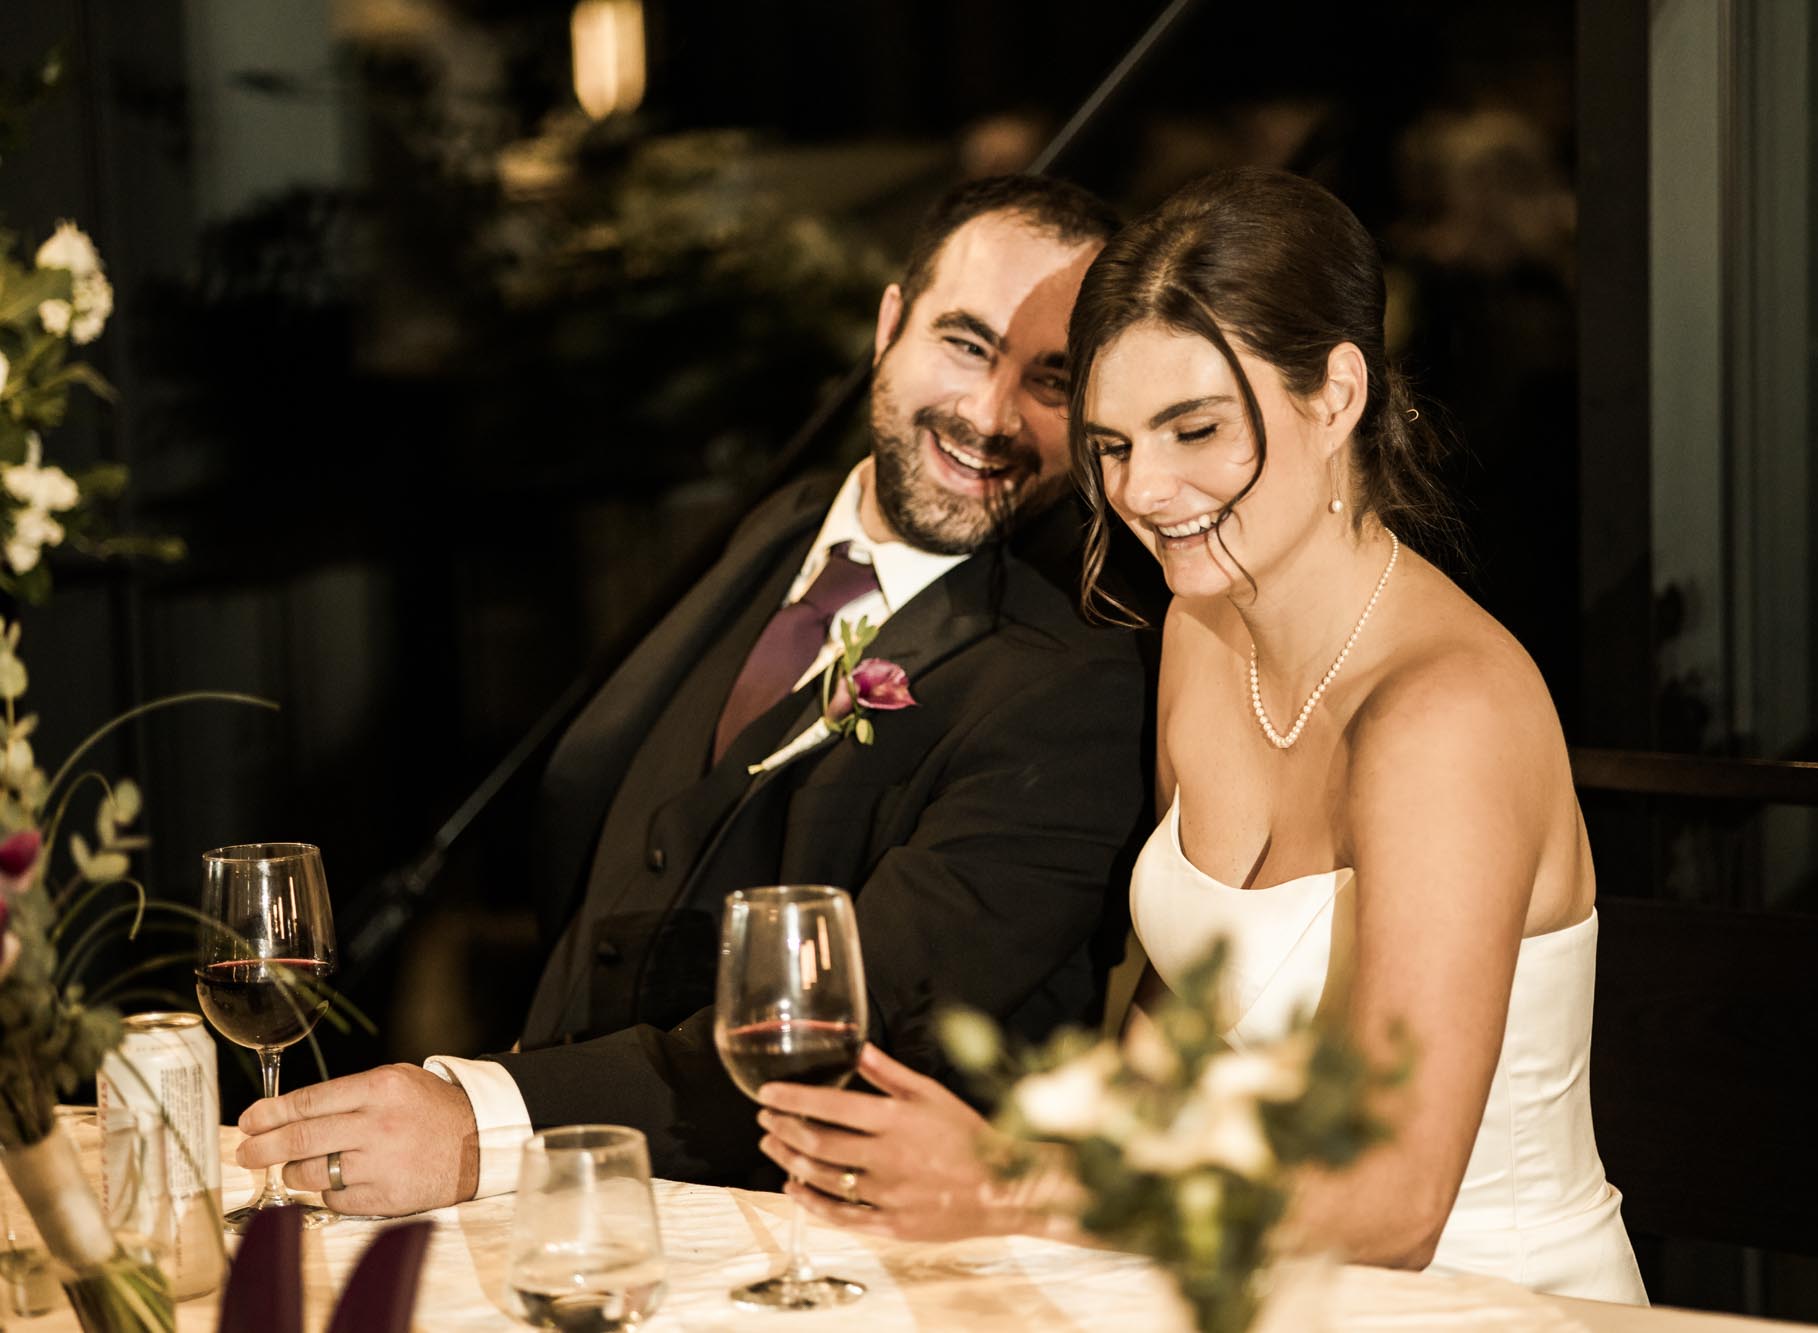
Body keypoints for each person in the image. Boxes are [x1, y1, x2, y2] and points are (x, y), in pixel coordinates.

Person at [753, 167, 1648, 1305]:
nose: (1146, 490)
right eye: (1113, 443)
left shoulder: (1443, 713)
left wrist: (1011, 1186)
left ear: (1334, 394)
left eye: (1194, 430)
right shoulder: (1200, 628)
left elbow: (1396, 1204)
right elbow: (1182, 1017)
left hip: (1471, 1297)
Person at [234, 175, 1156, 1217]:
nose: (988, 416)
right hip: (566, 1202)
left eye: (1049, 380)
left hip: (796, 1241)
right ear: (887, 325)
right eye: (964, 343)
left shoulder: (1076, 683)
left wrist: (483, 1119)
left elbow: (858, 1031)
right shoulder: (780, 522)